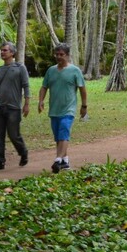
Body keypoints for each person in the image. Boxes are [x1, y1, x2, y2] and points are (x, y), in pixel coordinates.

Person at [37, 43, 87, 173]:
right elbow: (44, 87)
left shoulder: (75, 71)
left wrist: (84, 106)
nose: (58, 57)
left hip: (68, 109)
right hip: (54, 109)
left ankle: (58, 159)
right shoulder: (51, 71)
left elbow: (82, 89)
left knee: (64, 132)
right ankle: (65, 161)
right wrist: (41, 101)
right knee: (58, 136)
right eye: (56, 54)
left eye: (61, 55)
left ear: (67, 55)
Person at [0, 41, 30, 171]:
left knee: (13, 134)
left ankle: (23, 152)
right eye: (1, 50)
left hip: (13, 108)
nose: (2, 52)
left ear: (12, 53)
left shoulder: (20, 68)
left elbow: (26, 86)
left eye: (5, 50)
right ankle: (0, 161)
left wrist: (26, 104)